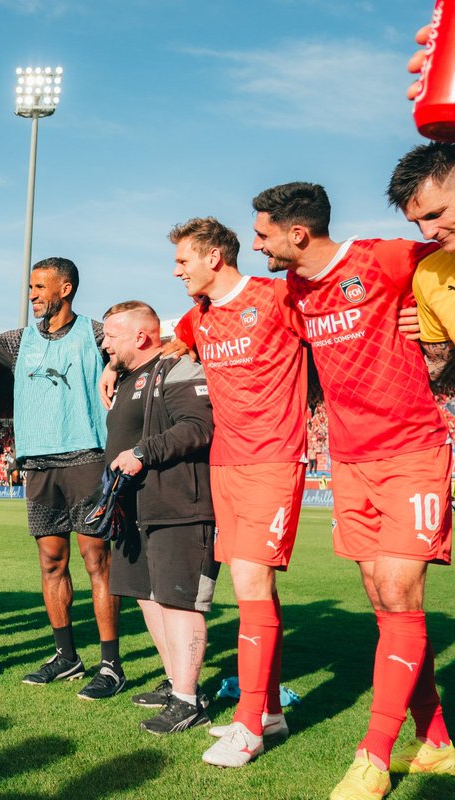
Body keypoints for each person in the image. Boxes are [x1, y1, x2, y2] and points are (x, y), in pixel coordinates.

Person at [251, 182, 453, 796]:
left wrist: (437, 329)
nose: (258, 244)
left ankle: (373, 758)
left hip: (413, 450)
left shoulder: (386, 258)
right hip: (350, 460)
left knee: (397, 591)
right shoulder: (291, 292)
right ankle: (438, 740)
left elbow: (441, 269)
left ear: (298, 234)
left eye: (262, 235)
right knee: (383, 600)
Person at [0, 258, 123, 700]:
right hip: (37, 466)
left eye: (40, 286)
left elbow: (138, 349)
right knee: (51, 563)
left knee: (98, 563)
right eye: (30, 287)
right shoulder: (16, 341)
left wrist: (114, 364)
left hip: (88, 460)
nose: (32, 294)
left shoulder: (95, 334)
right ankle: (67, 657)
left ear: (66, 288)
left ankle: (111, 665)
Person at [161, 218, 308, 765]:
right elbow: (176, 343)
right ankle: (267, 710)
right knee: (256, 588)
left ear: (215, 257)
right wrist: (116, 367)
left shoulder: (277, 297)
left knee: (249, 582)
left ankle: (248, 725)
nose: (176, 271)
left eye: (183, 261)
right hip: (225, 460)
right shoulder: (197, 318)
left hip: (272, 457)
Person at [100, 300, 216, 735]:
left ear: (141, 336)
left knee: (178, 600)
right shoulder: (125, 377)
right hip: (133, 511)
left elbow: (199, 426)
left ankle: (189, 700)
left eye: (112, 335)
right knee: (148, 598)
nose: (105, 343)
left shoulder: (178, 367)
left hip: (179, 507)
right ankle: (175, 683)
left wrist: (143, 453)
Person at [388, 142, 455, 387]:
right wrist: (428, 337)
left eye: (435, 214)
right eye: (417, 223)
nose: (427, 233)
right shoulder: (428, 273)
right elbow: (440, 372)